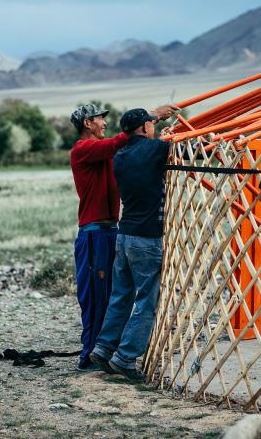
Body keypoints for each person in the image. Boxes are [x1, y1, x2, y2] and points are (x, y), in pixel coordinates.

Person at [69, 102, 177, 371]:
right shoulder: (84, 150)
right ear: (87, 123)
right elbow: (119, 142)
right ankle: (89, 356)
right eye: (99, 119)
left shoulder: (114, 154)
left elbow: (125, 147)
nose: (104, 123)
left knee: (114, 295)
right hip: (94, 234)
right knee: (96, 296)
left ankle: (103, 350)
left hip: (115, 231)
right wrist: (151, 117)